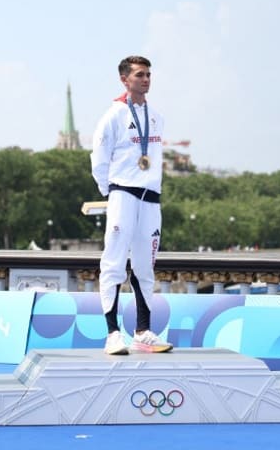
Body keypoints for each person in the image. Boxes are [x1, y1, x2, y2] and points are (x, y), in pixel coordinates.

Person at [90, 56, 173, 355]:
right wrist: (110, 191)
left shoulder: (157, 116)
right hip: (123, 195)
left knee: (144, 265)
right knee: (113, 263)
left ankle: (143, 330)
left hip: (151, 198)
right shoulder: (113, 116)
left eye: (149, 74)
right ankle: (112, 333)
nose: (146, 79)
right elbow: (98, 159)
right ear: (124, 79)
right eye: (140, 75)